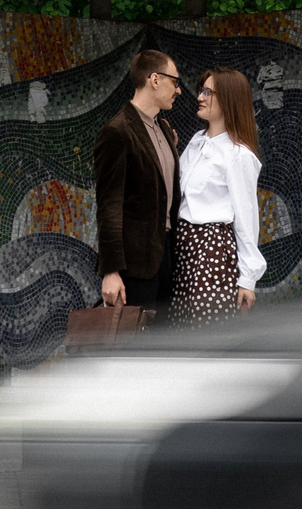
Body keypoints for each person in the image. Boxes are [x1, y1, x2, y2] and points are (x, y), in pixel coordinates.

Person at [171, 67, 265, 323]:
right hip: (184, 247)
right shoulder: (196, 142)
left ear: (229, 100)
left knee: (205, 329)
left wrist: (247, 279)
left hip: (212, 248)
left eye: (209, 92)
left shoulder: (238, 155)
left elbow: (247, 218)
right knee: (180, 327)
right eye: (201, 90)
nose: (200, 96)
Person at [94, 48, 184, 311]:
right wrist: (110, 271)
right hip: (134, 267)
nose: (178, 90)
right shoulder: (117, 132)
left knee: (161, 348)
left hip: (166, 258)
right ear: (154, 79)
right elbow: (109, 206)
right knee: (133, 348)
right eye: (174, 82)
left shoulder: (164, 131)